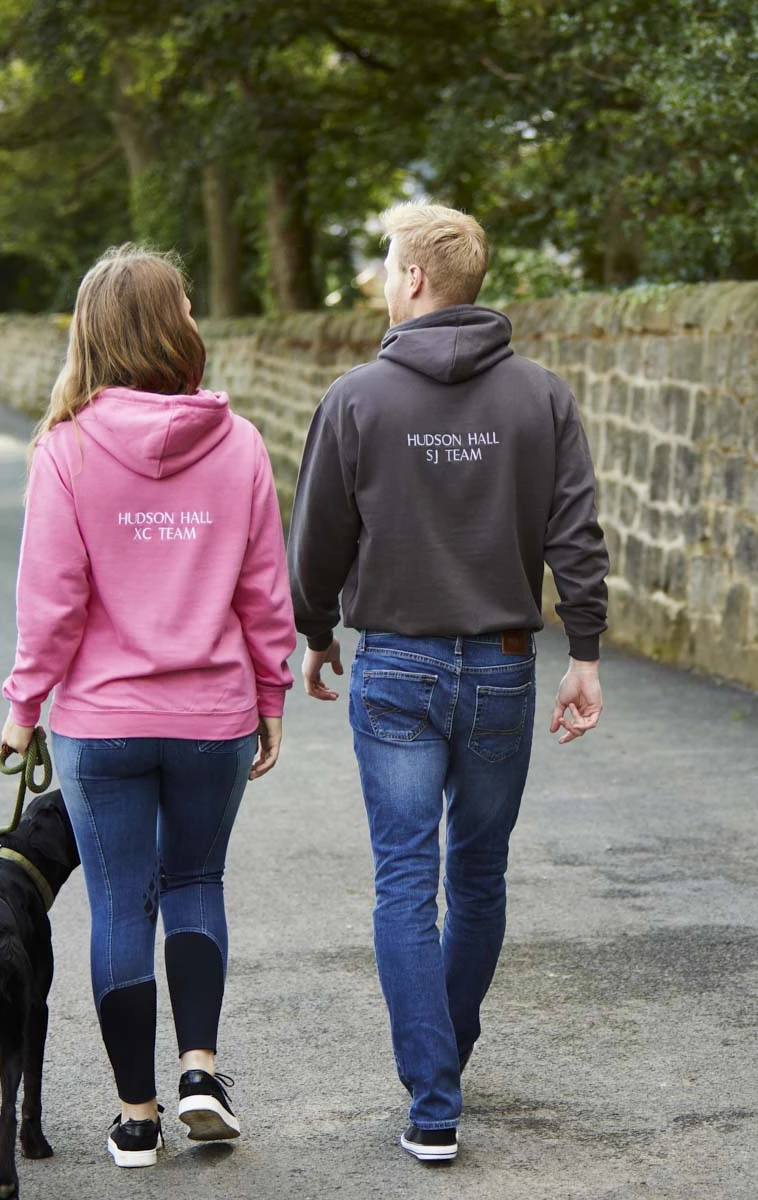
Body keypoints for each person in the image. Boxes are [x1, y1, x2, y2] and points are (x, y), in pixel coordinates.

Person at [287, 203, 608, 1162]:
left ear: (417, 281)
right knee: (478, 875)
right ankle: (445, 1058)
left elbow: (316, 544)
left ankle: (434, 1097)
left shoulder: (356, 400)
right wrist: (584, 654)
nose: (387, 281)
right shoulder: (542, 397)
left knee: (403, 881)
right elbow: (575, 537)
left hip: (394, 663)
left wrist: (314, 632)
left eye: (389, 266)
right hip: (505, 665)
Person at [0, 244, 296, 1169]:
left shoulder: (67, 447)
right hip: (213, 713)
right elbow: (262, 589)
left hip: (102, 721)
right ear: (177, 327)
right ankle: (200, 1071)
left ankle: (136, 1117)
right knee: (197, 883)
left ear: (93, 333)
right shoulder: (239, 442)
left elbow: (54, 598)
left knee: (121, 902)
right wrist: (271, 690)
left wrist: (23, 706)